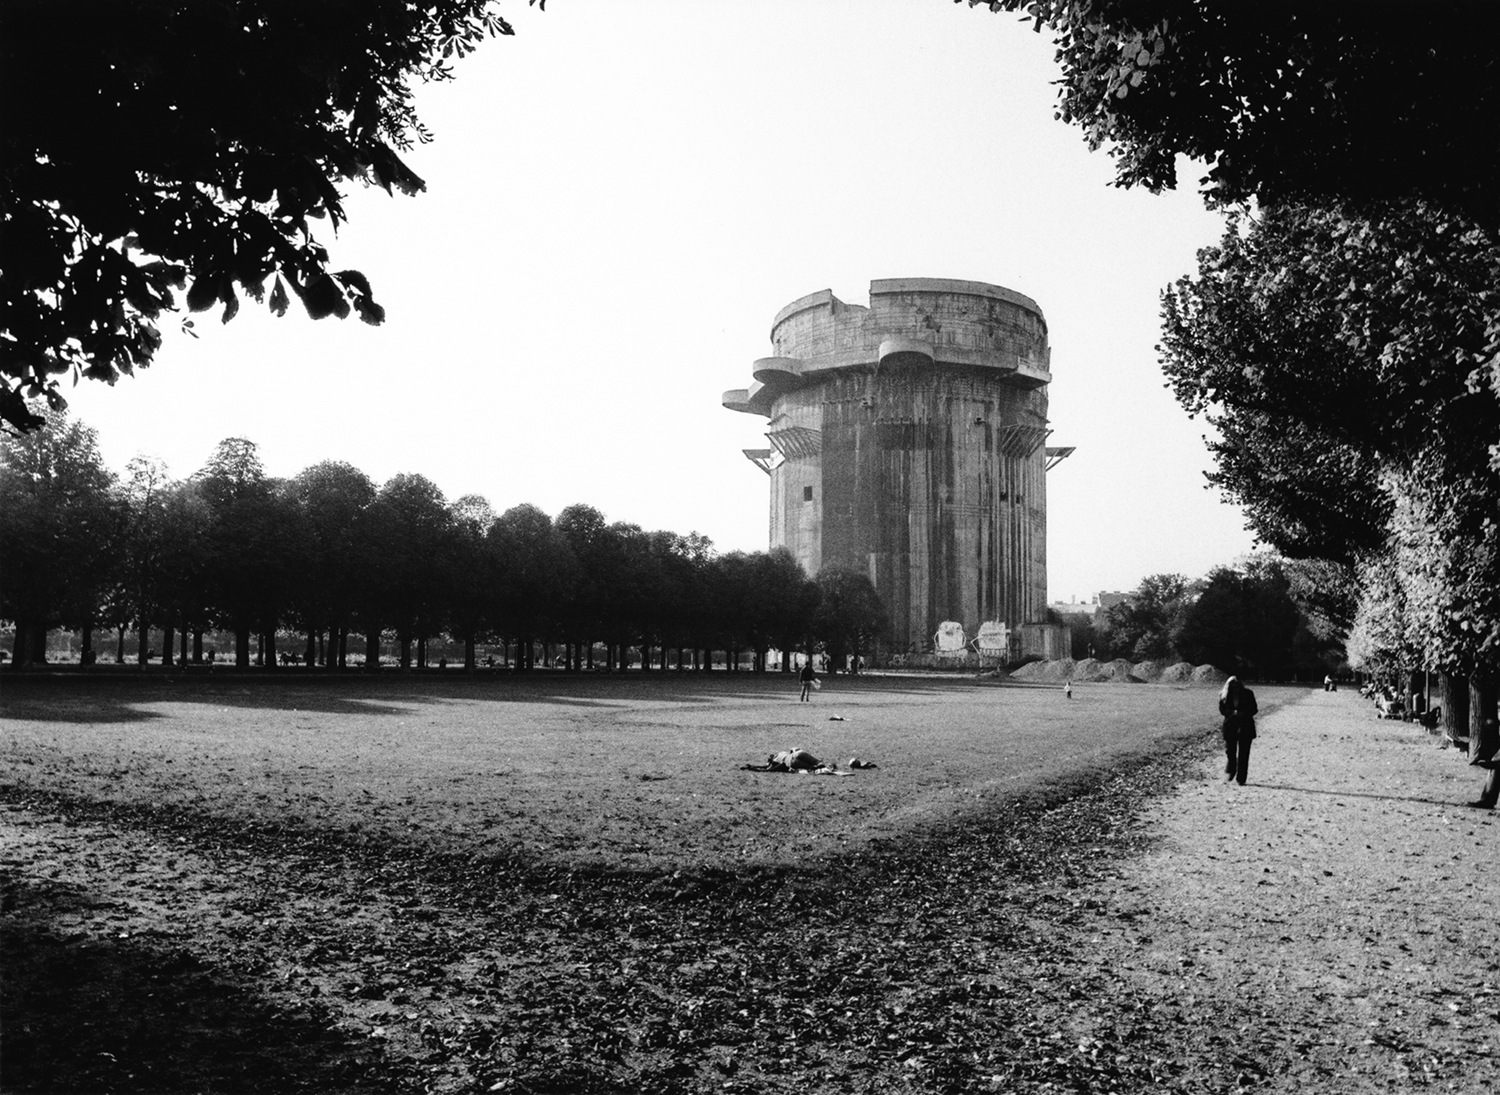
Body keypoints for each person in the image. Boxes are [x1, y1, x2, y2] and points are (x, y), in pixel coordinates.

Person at [1218, 675, 1259, 786]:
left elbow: (1254, 709)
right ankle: (1231, 770)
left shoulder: (1248, 694)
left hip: (1245, 726)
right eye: (1233, 687)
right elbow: (1222, 710)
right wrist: (1232, 713)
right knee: (1230, 752)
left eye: (1237, 687)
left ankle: (1241, 778)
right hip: (1230, 725)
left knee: (1244, 754)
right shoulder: (1224, 695)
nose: (1235, 689)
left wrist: (1243, 713)